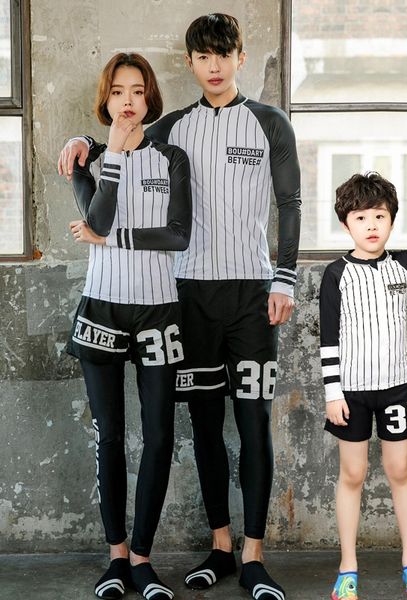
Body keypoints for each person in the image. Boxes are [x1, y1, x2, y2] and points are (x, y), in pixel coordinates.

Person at [58, 13, 300, 600]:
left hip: (252, 294)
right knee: (205, 426)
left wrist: (285, 280)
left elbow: (290, 202)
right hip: (187, 297)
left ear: (241, 58)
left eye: (224, 54)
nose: (214, 66)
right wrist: (81, 142)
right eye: (203, 57)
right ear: (190, 63)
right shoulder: (173, 128)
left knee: (254, 423)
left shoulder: (270, 122)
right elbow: (124, 135)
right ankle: (220, 546)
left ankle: (254, 556)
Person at [65, 53, 192, 600]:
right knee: (110, 436)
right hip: (103, 308)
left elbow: (179, 236)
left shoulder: (172, 157)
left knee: (159, 437)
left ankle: (143, 559)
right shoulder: (85, 159)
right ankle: (116, 558)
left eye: (137, 91)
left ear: (149, 98)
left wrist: (112, 239)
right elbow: (94, 218)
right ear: (106, 99)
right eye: (118, 91)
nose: (128, 101)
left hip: (158, 309)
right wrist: (110, 155)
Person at [320, 172, 407, 599]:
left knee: (400, 471)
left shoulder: (404, 265)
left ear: (392, 220)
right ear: (345, 224)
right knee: (353, 474)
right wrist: (332, 393)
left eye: (379, 216)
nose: (371, 225)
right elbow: (328, 338)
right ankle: (348, 566)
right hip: (350, 393)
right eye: (360, 217)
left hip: (396, 389)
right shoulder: (336, 274)